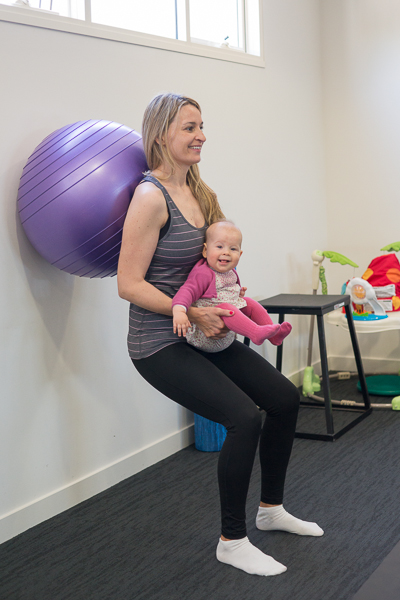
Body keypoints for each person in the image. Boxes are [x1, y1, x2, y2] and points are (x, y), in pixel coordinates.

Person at [117, 92, 323, 578]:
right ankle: (232, 540)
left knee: (283, 398)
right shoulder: (150, 197)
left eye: (202, 125)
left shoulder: (202, 192)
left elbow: (213, 256)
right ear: (162, 134)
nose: (201, 135)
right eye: (189, 127)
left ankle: (270, 510)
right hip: (161, 341)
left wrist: (226, 287)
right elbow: (128, 283)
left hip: (208, 331)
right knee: (242, 418)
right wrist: (190, 311)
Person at [172, 219, 292, 351]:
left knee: (248, 302)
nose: (226, 252)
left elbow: (222, 292)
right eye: (219, 247)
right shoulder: (203, 273)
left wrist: (236, 294)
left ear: (240, 255)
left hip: (225, 336)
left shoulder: (230, 272)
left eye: (233, 248)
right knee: (226, 307)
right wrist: (179, 311)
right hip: (205, 334)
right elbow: (187, 291)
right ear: (205, 250)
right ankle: (255, 333)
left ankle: (275, 335)